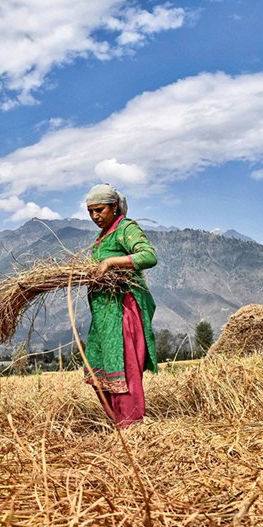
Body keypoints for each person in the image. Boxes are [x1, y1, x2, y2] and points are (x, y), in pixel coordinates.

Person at [83, 183, 157, 428]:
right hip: (104, 313)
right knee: (100, 365)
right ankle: (118, 421)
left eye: (100, 210)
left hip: (122, 309)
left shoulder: (126, 228)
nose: (95, 216)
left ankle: (132, 424)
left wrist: (112, 262)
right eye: (91, 211)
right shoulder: (102, 236)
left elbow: (148, 256)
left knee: (124, 365)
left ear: (114, 207)